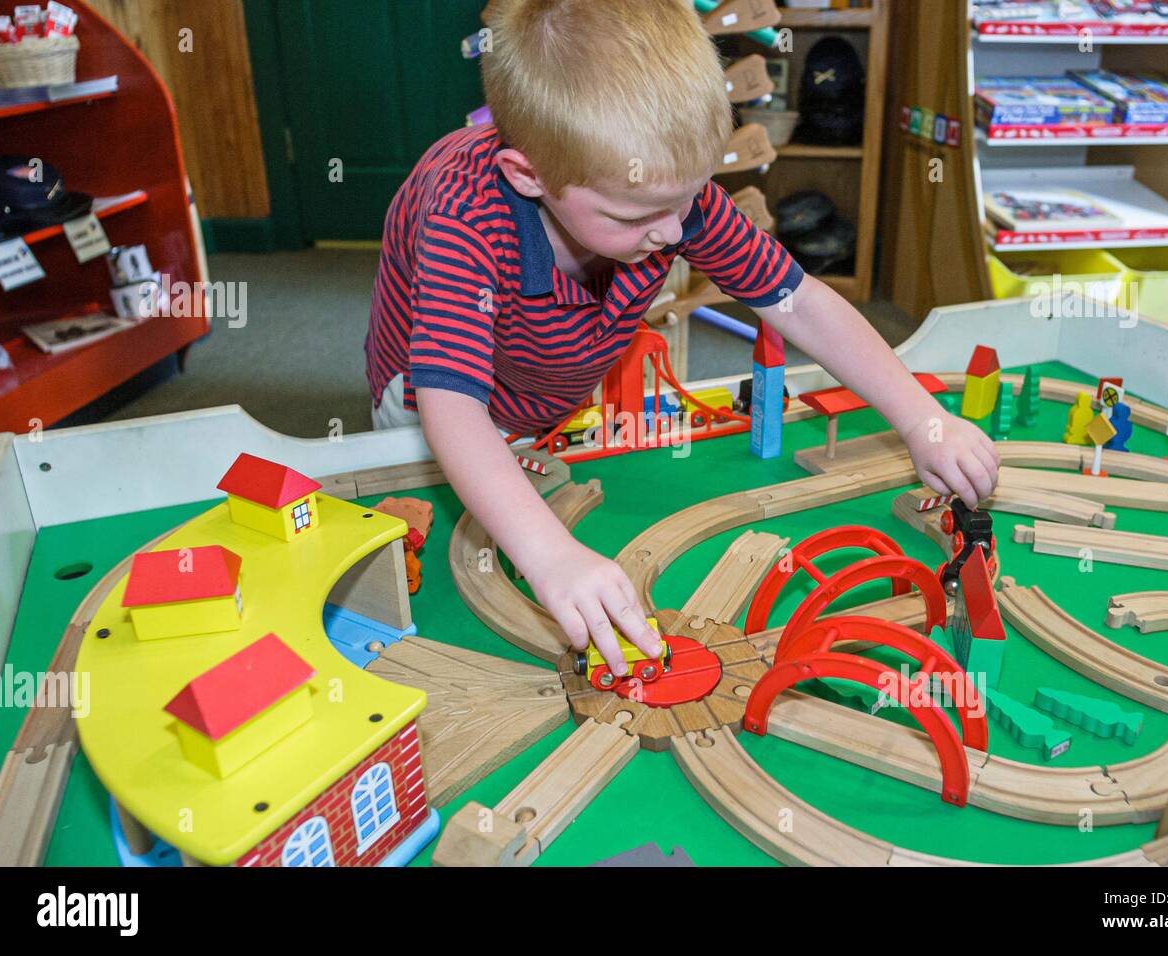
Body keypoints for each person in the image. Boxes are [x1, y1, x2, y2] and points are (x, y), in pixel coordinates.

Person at [364, 0, 998, 679]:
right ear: (528, 176)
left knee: (528, 476)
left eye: (689, 198)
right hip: (429, 401)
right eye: (636, 215)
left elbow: (801, 304)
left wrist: (921, 418)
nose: (673, 234)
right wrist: (549, 556)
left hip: (546, 387)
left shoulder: (664, 199)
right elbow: (451, 407)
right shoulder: (463, 217)